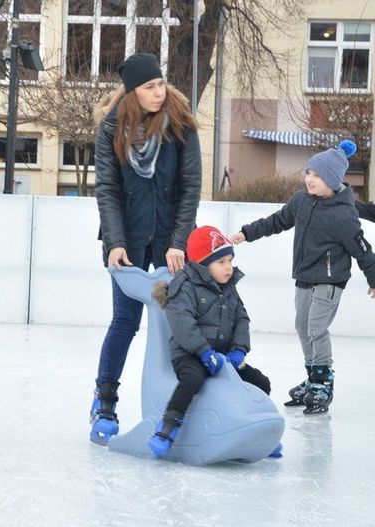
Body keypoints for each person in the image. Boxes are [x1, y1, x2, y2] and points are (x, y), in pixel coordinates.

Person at [90, 52, 202, 445]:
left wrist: (178, 243)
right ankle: (104, 400)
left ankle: (180, 406)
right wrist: (116, 243)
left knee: (180, 324)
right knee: (125, 321)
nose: (159, 92)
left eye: (160, 84)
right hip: (128, 241)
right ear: (132, 93)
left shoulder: (181, 125)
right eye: (149, 87)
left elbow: (190, 188)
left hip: (171, 241)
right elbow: (107, 189)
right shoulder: (111, 130)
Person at [229, 140, 375, 415]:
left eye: (317, 176)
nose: (309, 179)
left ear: (332, 180)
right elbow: (277, 220)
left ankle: (323, 381)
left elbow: (363, 250)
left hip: (331, 280)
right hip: (305, 275)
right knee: (302, 326)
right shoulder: (301, 201)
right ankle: (312, 375)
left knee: (316, 327)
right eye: (309, 172)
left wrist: (373, 278)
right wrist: (246, 233)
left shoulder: (344, 215)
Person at [149, 226, 272, 458]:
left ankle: (258, 434)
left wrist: (238, 350)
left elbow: (241, 318)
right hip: (190, 354)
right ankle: (167, 427)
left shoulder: (229, 288)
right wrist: (204, 352)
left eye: (230, 260)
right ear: (203, 264)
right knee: (192, 379)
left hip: (223, 357)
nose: (229, 267)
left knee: (260, 382)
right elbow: (183, 325)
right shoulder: (184, 287)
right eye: (221, 262)